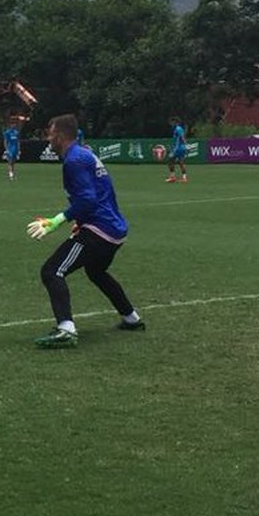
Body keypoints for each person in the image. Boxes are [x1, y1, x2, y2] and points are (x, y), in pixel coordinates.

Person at [25, 113, 145, 348]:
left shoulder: (74, 160)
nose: (48, 138)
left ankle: (66, 330)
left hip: (100, 230)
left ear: (59, 135)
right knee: (96, 271)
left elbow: (89, 200)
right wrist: (80, 219)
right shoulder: (83, 155)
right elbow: (101, 194)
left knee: (52, 271)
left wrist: (55, 221)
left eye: (50, 133)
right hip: (113, 228)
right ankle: (131, 318)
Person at [166, 116, 189, 183]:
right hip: (181, 147)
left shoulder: (178, 129)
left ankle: (172, 177)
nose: (171, 124)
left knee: (170, 160)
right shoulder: (179, 128)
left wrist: (185, 144)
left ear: (175, 122)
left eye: (172, 122)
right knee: (181, 162)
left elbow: (182, 137)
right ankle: (184, 178)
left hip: (178, 148)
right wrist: (185, 145)